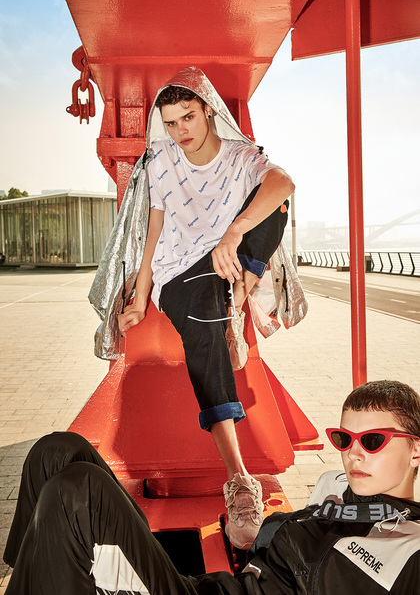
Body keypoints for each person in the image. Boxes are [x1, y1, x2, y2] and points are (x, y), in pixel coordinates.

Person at [99, 66, 294, 548]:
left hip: (226, 262)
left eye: (188, 117)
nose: (180, 131)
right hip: (177, 273)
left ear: (208, 111)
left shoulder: (240, 156)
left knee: (275, 204)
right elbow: (154, 228)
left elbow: (284, 183)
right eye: (170, 123)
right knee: (205, 318)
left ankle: (238, 300)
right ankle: (239, 479)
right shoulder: (164, 161)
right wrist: (140, 296)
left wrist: (233, 232)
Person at [4, 379, 420, 594]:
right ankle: (26, 573)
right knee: (57, 450)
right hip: (213, 587)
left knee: (78, 490)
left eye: (373, 441)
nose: (353, 454)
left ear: (415, 450)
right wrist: (258, 532)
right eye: (344, 439)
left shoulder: (410, 549)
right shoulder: (335, 488)